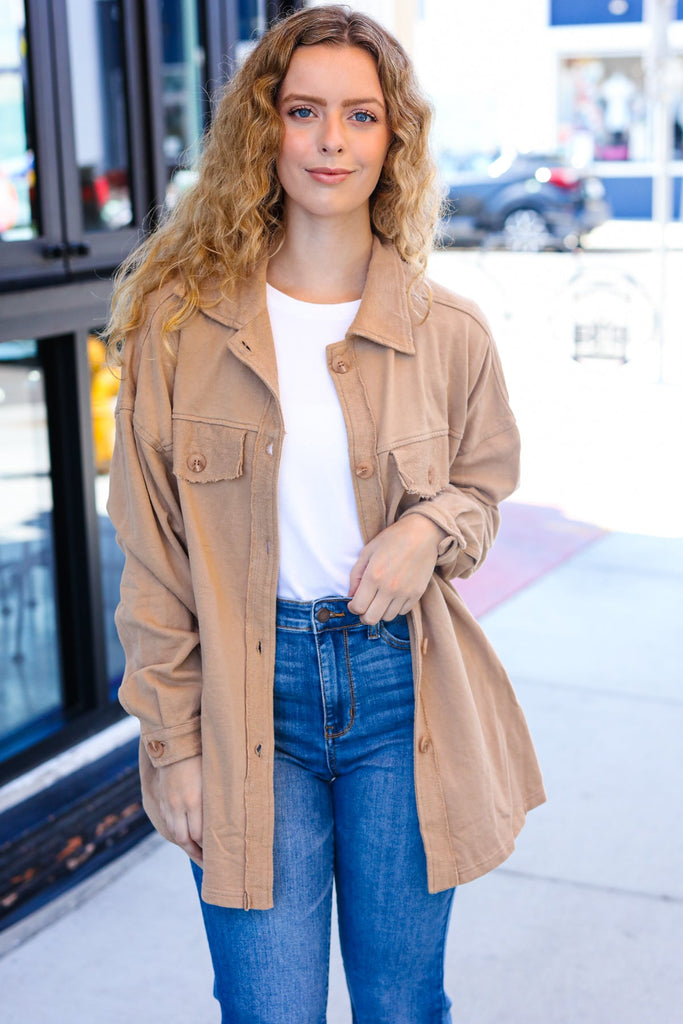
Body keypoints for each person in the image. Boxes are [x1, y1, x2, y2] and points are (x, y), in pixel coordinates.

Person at [106, 6, 545, 1022]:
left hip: (402, 693)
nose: (330, 140)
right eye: (303, 111)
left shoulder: (449, 333)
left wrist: (422, 531)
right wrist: (171, 746)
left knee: (399, 1004)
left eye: (358, 115)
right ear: (265, 130)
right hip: (245, 699)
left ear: (393, 140)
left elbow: (480, 488)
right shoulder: (178, 327)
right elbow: (151, 552)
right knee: (267, 1009)